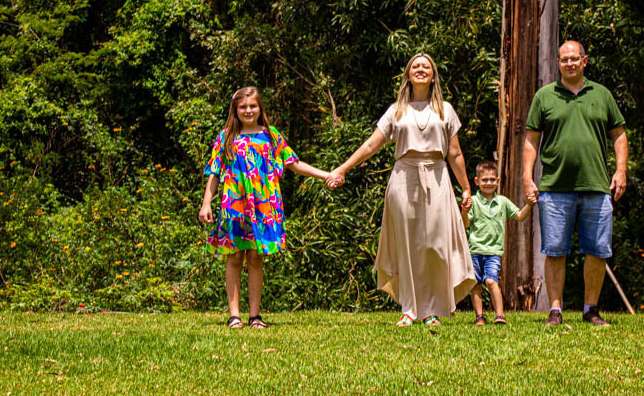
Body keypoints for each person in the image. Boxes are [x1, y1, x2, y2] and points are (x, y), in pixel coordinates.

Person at [327, 53, 476, 326]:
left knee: (435, 244)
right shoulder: (396, 110)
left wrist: (465, 188)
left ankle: (432, 309)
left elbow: (454, 154)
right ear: (408, 74)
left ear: (433, 76)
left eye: (426, 67)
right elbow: (372, 145)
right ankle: (409, 309)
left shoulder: (446, 109)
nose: (420, 70)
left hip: (438, 176)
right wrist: (343, 168)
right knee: (408, 244)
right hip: (403, 177)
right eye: (415, 67)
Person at [198, 86, 331, 329]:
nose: (248, 110)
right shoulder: (226, 137)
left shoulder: (271, 135)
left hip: (263, 206)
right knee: (234, 257)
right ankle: (234, 315)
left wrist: (326, 175)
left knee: (256, 258)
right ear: (235, 110)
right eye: (243, 107)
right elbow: (214, 172)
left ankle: (255, 315)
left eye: (252, 106)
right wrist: (207, 202)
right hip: (234, 206)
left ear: (260, 108)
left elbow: (294, 163)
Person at [522, 40, 628, 326]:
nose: (569, 63)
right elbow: (531, 140)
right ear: (558, 63)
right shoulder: (545, 96)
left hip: (596, 186)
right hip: (555, 188)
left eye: (574, 59)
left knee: (597, 250)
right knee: (555, 250)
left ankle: (590, 309)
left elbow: (619, 134)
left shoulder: (602, 94)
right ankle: (555, 310)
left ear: (585, 61)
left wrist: (621, 171)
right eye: (564, 59)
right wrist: (527, 178)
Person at [461, 160, 537, 325]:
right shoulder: (473, 202)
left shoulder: (502, 201)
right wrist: (464, 212)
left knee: (491, 280)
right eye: (484, 180)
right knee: (476, 284)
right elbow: (466, 224)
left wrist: (529, 205)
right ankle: (479, 316)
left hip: (494, 251)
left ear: (498, 181)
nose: (488, 183)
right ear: (477, 181)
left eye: (492, 180)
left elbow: (519, 216)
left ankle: (499, 314)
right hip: (475, 250)